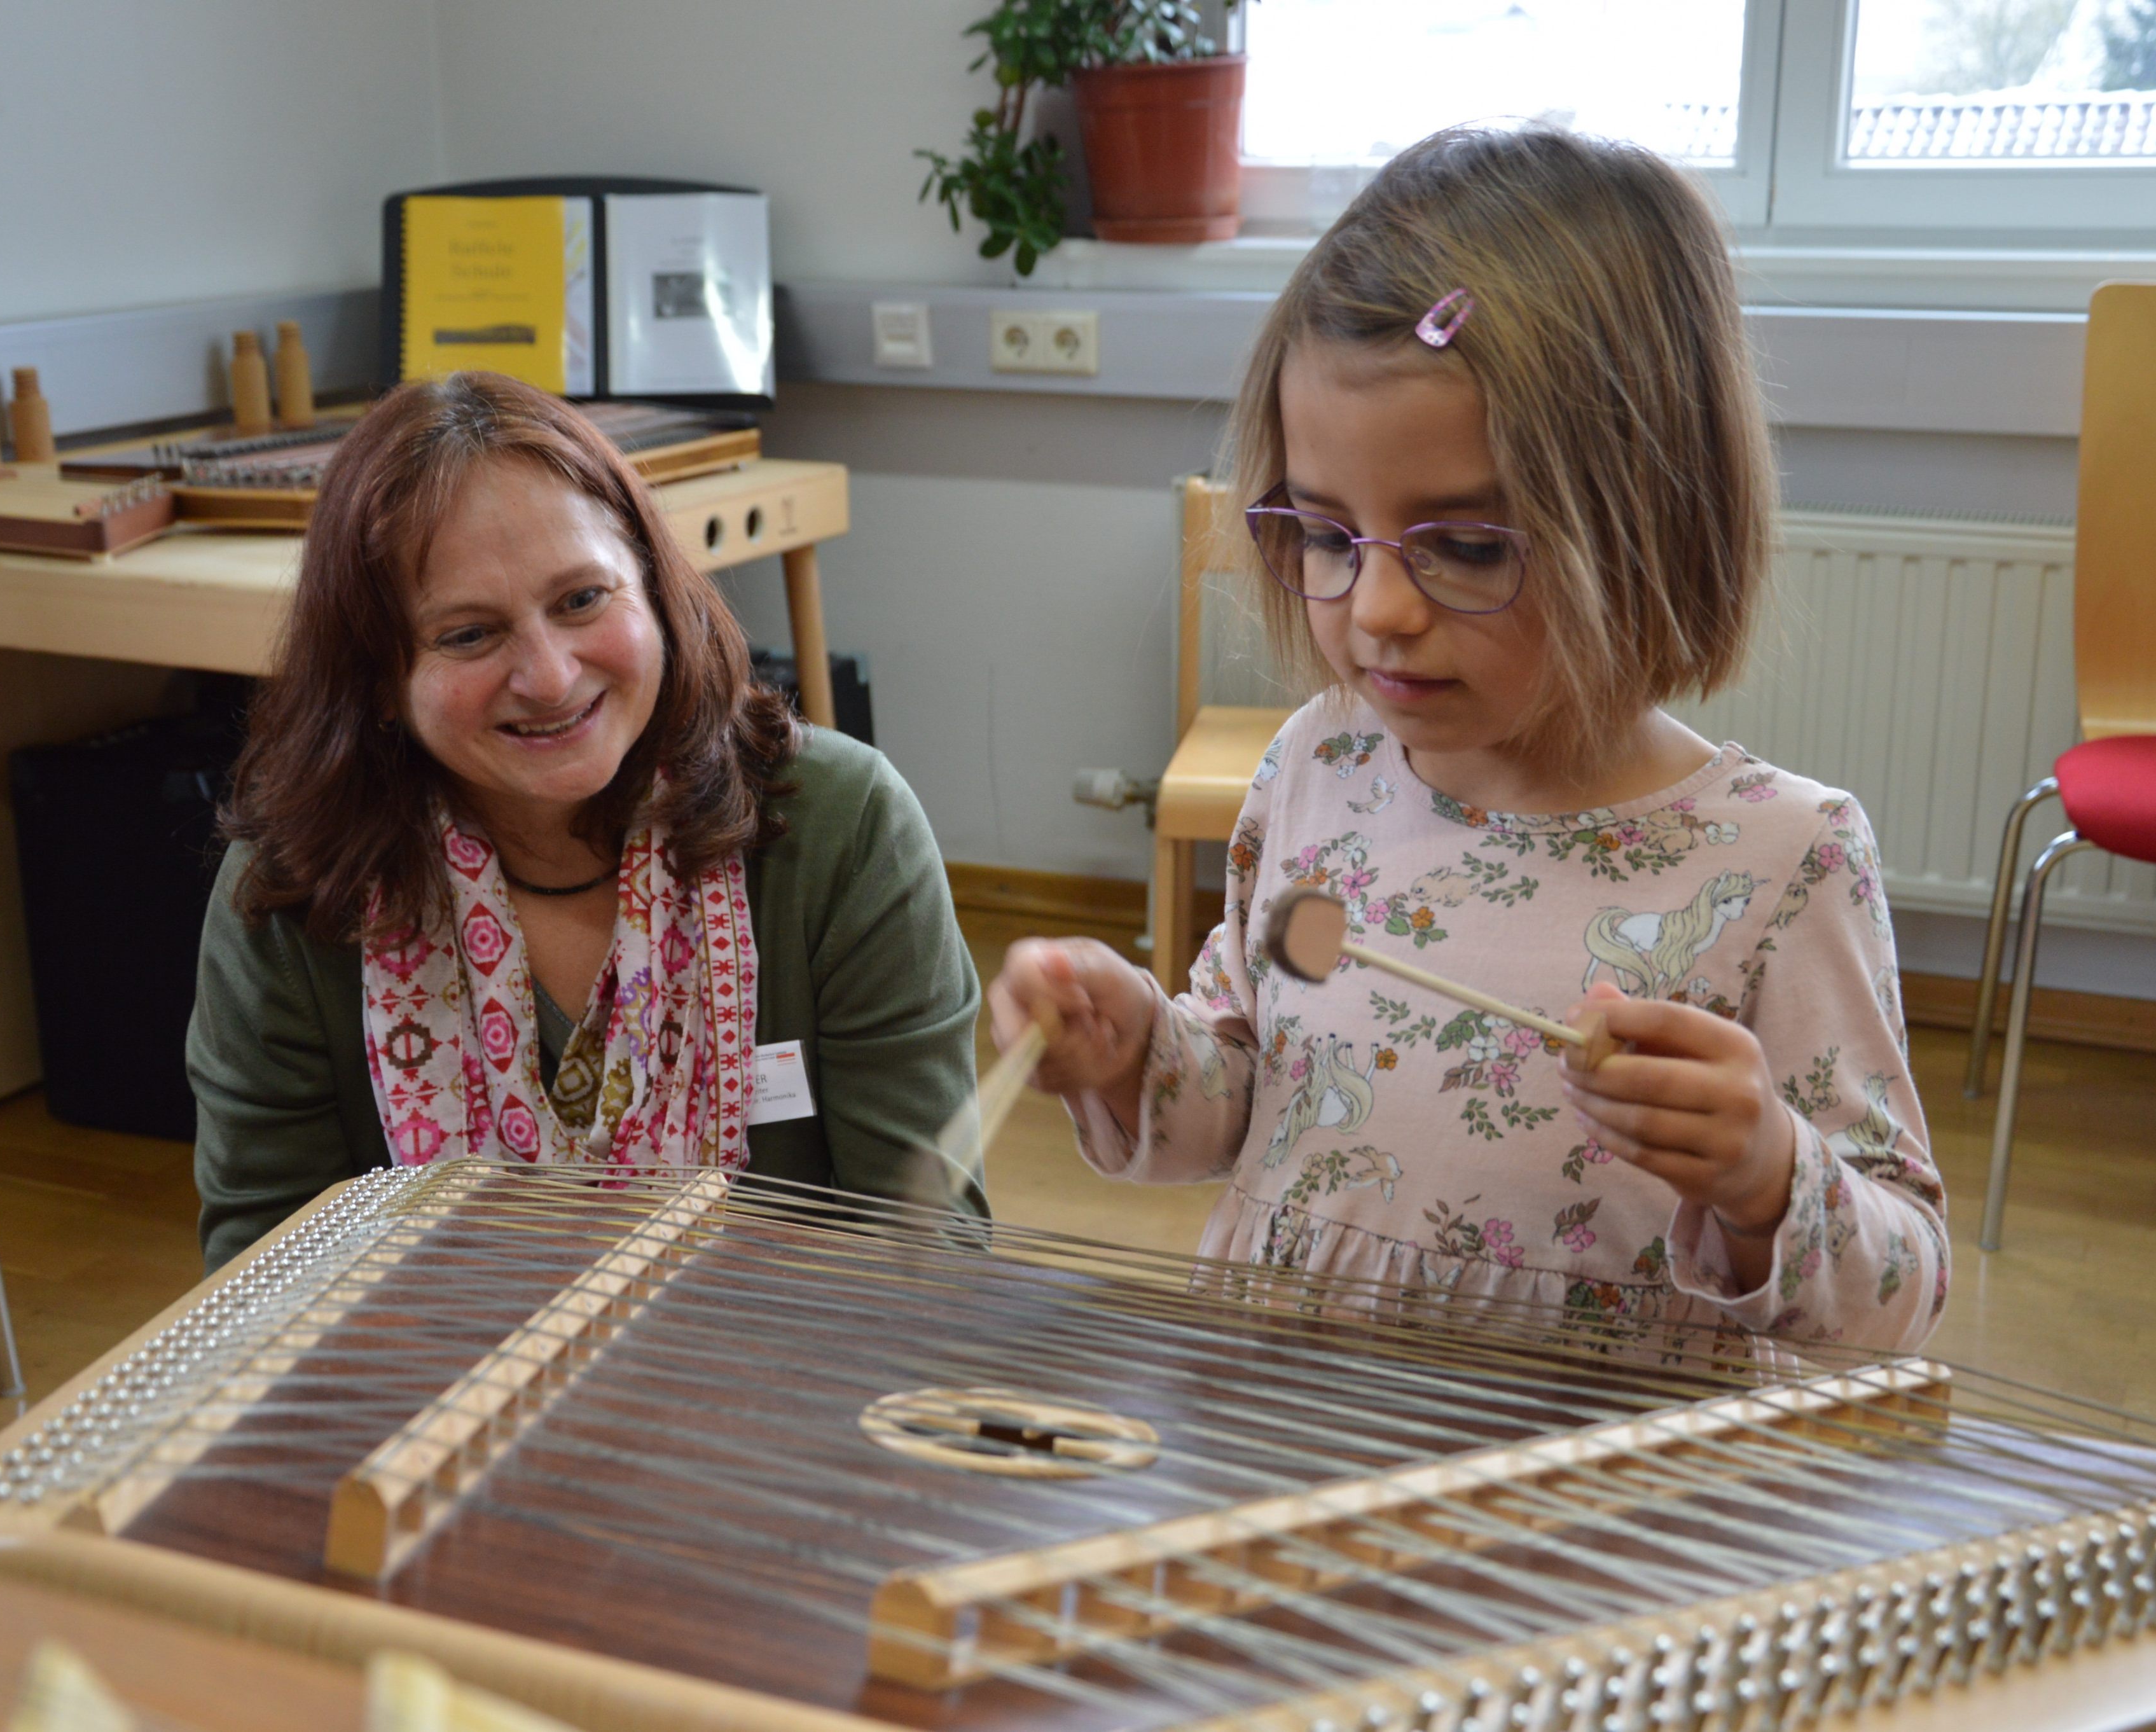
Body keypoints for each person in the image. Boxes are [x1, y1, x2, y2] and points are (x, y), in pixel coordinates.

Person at [990, 128, 1946, 1354]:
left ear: (1653, 521)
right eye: (1329, 537)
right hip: (1274, 1448)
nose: (1376, 611)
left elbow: (1901, 1291)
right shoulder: (1315, 771)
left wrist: (1766, 1173)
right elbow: (1240, 1104)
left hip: (1570, 1513)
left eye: (1470, 546)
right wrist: (1133, 1052)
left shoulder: (1779, 860)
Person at [190, 372, 983, 1270]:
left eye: (580, 600)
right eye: (468, 635)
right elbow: (263, 1288)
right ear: (375, 682)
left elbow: (929, 1255)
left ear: (652, 585)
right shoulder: (298, 883)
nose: (551, 677)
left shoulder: (844, 827)